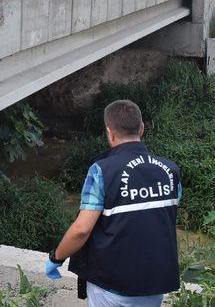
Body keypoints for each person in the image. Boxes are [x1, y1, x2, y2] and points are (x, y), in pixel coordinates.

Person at [45, 100, 182, 307]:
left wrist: (56, 258)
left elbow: (81, 229)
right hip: (155, 283)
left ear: (110, 133)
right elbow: (155, 218)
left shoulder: (101, 170)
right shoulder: (170, 170)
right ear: (142, 128)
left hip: (112, 285)